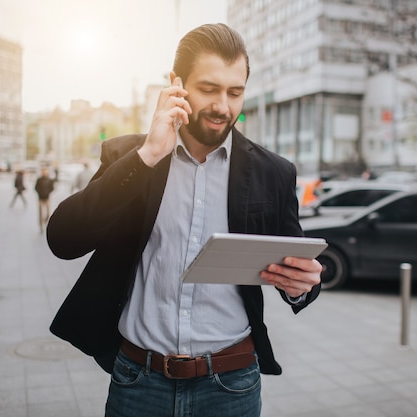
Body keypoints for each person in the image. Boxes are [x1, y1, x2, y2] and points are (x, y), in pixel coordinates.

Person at [46, 23, 322, 417]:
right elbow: (63, 240)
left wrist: (301, 285)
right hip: (138, 380)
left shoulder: (273, 172)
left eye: (235, 92)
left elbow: (296, 269)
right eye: (209, 89)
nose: (223, 106)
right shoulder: (131, 156)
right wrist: (147, 156)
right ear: (176, 84)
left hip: (231, 384)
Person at [34, 167, 54, 232]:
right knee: (41, 212)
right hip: (40, 198)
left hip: (47, 197)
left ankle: (46, 221)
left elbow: (52, 188)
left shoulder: (50, 180)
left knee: (48, 212)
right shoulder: (39, 180)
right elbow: (36, 188)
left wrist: (48, 192)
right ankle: (41, 225)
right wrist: (40, 193)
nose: (44, 172)